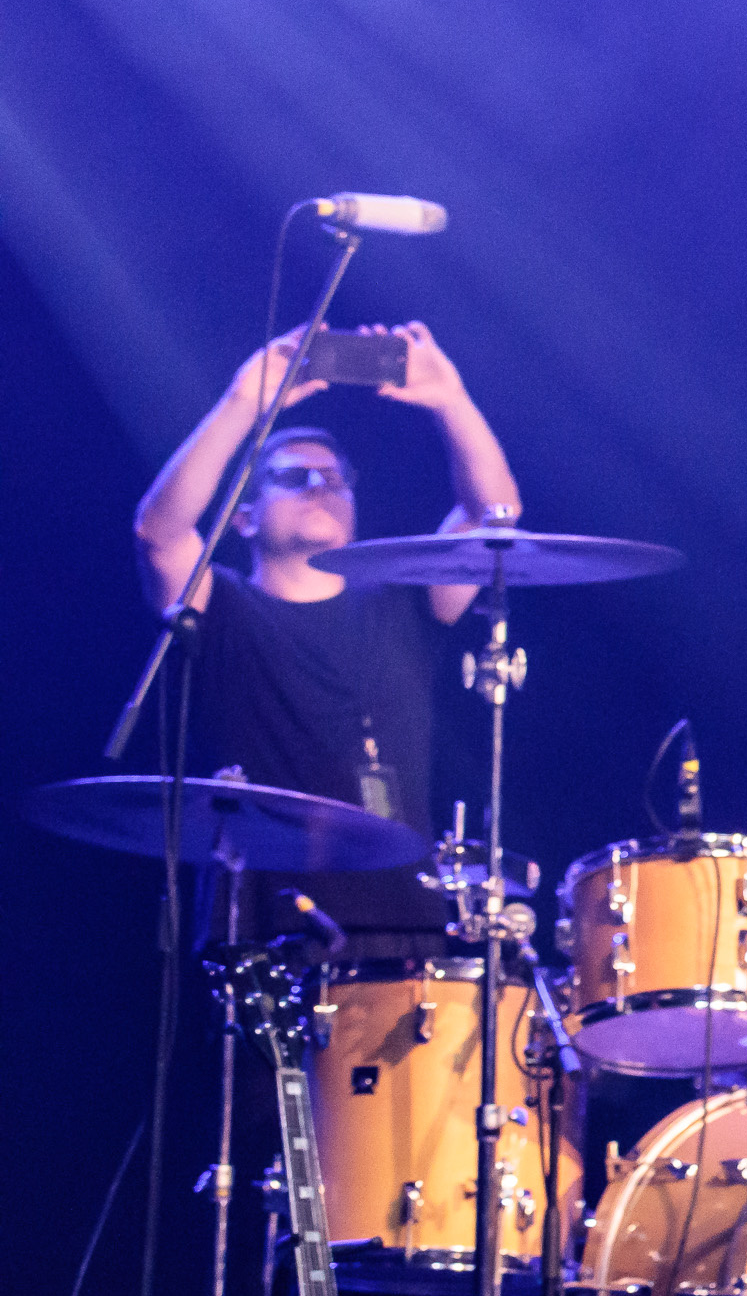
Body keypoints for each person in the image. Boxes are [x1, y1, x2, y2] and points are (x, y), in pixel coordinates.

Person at [131, 319, 521, 951]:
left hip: (404, 935)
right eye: (295, 477)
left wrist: (452, 401)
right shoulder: (222, 604)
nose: (322, 487)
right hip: (265, 938)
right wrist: (241, 404)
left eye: (336, 479)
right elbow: (160, 533)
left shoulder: (402, 599)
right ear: (247, 518)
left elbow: (491, 517)